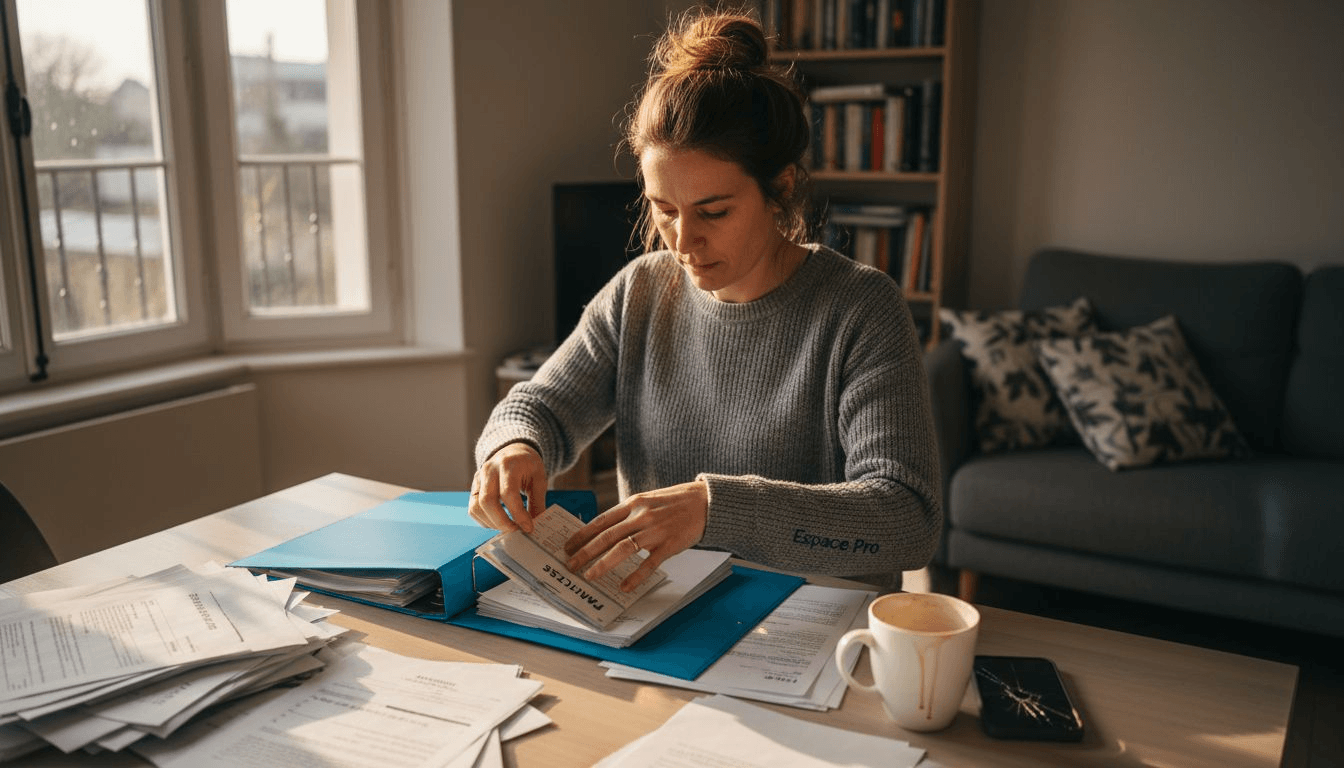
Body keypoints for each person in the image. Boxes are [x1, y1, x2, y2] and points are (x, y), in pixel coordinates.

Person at [468, 9, 940, 592]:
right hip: (664, 616)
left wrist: (714, 509)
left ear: (781, 187)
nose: (683, 242)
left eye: (714, 212)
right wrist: (514, 446)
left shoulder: (862, 309)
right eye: (663, 209)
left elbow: (907, 519)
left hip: (820, 637)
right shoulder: (640, 291)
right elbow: (536, 406)